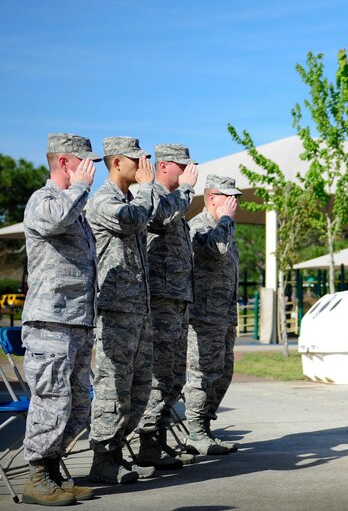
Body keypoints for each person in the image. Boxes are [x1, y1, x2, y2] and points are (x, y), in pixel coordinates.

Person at [19, 133, 101, 505]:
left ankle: (52, 470)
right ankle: (36, 476)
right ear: (64, 162)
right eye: (84, 163)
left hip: (78, 320)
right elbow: (55, 222)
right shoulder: (46, 200)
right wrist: (81, 187)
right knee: (51, 400)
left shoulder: (76, 207)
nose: (90, 170)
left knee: (78, 406)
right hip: (50, 322)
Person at [86, 136, 157, 484]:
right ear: (117, 163)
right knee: (113, 386)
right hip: (115, 311)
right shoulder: (103, 201)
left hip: (137, 310)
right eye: (137, 160)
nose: (144, 166)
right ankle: (102, 460)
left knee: (138, 387)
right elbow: (131, 221)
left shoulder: (132, 199)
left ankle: (117, 452)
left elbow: (148, 217)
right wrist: (147, 189)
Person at [134, 144, 199, 470]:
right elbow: (157, 220)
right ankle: (147, 443)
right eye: (183, 166)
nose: (189, 171)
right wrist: (186, 189)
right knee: (159, 376)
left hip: (177, 299)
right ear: (164, 166)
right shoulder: (152, 195)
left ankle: (155, 438)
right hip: (159, 300)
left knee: (174, 377)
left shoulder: (175, 199)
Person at [185, 174, 241, 456]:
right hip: (203, 316)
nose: (233, 203)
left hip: (224, 314)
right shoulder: (200, 227)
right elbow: (217, 250)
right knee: (202, 374)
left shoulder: (224, 228)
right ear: (210, 198)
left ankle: (204, 428)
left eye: (236, 198)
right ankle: (194, 431)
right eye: (227, 197)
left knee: (223, 373)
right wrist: (226, 220)